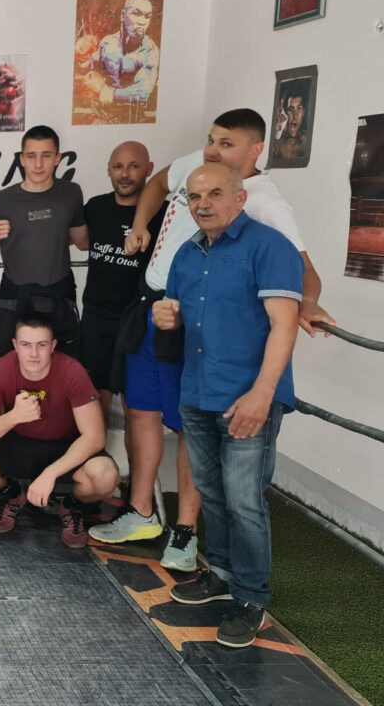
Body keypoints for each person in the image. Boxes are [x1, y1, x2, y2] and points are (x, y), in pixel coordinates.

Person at [107, 109, 336, 572]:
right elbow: (157, 185)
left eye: (226, 144)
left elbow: (304, 271)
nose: (212, 151)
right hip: (161, 308)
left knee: (201, 441)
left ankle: (186, 533)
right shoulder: (197, 168)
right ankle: (143, 513)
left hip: (209, 336)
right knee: (144, 411)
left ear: (255, 152)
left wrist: (306, 303)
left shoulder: (266, 207)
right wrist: (141, 225)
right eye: (212, 140)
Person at [152, 162, 303, 649]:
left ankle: (251, 598)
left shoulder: (269, 247)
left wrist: (262, 394)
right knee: (212, 493)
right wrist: (166, 318)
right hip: (198, 392)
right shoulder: (187, 254)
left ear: (240, 197)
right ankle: (220, 573)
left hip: (247, 398)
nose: (203, 204)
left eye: (215, 193)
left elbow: (284, 325)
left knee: (244, 501)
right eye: (195, 196)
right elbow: (177, 320)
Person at [0, 314, 119, 548]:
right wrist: (14, 416)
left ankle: (73, 506)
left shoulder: (72, 371)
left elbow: (94, 437)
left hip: (65, 447)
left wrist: (50, 474)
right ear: (15, 345)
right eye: (26, 345)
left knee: (104, 476)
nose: (33, 353)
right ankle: (10, 493)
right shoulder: (0, 369)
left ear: (52, 346)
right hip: (17, 445)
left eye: (41, 345)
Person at [0, 125, 87, 360]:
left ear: (58, 158)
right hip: (15, 295)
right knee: (7, 362)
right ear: (22, 159)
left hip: (58, 293)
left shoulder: (71, 193)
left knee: (63, 362)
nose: (38, 164)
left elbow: (82, 242)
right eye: (31, 156)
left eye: (46, 155)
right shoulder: (1, 200)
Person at [79, 141, 163, 420]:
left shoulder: (163, 214)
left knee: (137, 405)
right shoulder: (95, 207)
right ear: (108, 170)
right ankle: (95, 451)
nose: (125, 174)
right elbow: (71, 239)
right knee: (93, 397)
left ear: (149, 169)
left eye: (134, 166)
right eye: (118, 167)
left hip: (138, 320)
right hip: (96, 319)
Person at [80, 0, 160, 123]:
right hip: (102, 118)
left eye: (147, 16)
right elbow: (90, 67)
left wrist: (110, 93)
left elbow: (143, 91)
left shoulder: (150, 51)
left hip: (130, 121)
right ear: (123, 15)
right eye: (136, 13)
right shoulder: (107, 43)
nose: (142, 21)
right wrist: (81, 54)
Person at [273, 91, 309, 161]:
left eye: (299, 109)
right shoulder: (276, 142)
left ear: (303, 113)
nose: (295, 115)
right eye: (291, 109)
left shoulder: (307, 142)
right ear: (285, 113)